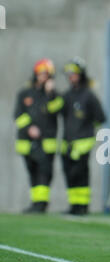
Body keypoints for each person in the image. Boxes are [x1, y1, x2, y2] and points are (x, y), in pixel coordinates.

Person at [14, 58, 63, 213]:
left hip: (46, 142)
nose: (44, 76)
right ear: (36, 73)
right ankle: (36, 202)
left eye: (47, 74)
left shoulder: (54, 96)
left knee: (45, 172)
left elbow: (55, 109)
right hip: (26, 142)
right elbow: (18, 115)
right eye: (41, 73)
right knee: (32, 171)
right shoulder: (25, 93)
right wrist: (29, 128)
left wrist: (50, 93)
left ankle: (42, 203)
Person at [61, 57, 106, 215]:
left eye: (74, 73)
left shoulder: (89, 96)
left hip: (83, 143)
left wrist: (87, 129)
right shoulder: (67, 96)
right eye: (69, 74)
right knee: (69, 174)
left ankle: (83, 205)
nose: (71, 76)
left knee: (80, 174)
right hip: (67, 143)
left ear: (81, 74)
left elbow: (101, 117)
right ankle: (74, 205)